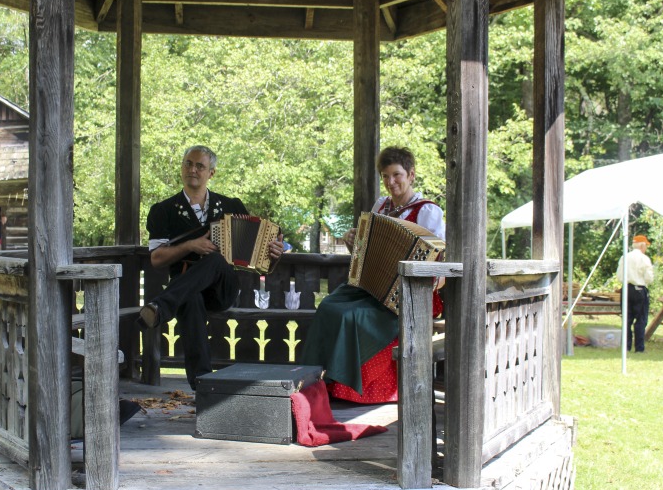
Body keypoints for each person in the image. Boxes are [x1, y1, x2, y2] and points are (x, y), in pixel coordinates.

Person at [300, 146, 445, 404]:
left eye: (397, 175)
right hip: (372, 286)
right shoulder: (381, 206)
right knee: (328, 306)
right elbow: (366, 250)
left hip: (408, 294)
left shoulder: (428, 212)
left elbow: (436, 258)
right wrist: (352, 241)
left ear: (411, 175)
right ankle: (319, 378)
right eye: (385, 176)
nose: (391, 182)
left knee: (352, 316)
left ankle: (349, 386)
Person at [139, 145, 285, 390]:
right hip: (186, 291)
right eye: (188, 163)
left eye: (200, 166)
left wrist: (274, 252)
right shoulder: (162, 211)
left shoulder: (231, 205)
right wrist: (190, 246)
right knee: (191, 299)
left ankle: (161, 307)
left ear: (211, 173)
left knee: (217, 259)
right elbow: (156, 259)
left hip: (222, 289)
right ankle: (203, 385)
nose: (192, 169)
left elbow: (259, 257)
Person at [616, 234, 654, 353]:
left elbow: (619, 276)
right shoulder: (644, 258)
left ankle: (626, 346)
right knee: (641, 319)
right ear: (642, 246)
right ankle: (639, 348)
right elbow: (649, 278)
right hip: (639, 289)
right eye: (646, 245)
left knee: (627, 319)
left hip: (626, 289)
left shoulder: (624, 257)